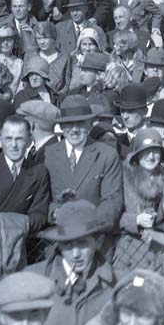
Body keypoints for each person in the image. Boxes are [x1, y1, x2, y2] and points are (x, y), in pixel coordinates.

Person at [31, 200, 117, 325]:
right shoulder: (33, 279)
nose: (75, 254)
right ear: (58, 244)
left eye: (82, 243)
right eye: (68, 244)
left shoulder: (117, 285)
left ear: (99, 242)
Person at [43, 95, 124, 228]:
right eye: (69, 123)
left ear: (90, 124)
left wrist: (87, 223)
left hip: (94, 235)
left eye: (80, 123)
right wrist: (55, 213)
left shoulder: (106, 155)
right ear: (62, 126)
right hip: (58, 234)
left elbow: (112, 201)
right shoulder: (49, 154)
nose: (74, 129)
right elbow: (43, 199)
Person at [121, 127, 164, 235]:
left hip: (158, 239)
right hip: (129, 241)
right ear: (137, 154)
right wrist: (136, 220)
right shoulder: (123, 175)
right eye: (146, 151)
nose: (151, 156)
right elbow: (111, 216)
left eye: (155, 151)